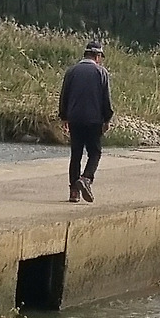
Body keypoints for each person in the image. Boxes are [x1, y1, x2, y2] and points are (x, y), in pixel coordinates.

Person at [58, 38, 113, 203]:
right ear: (97, 56)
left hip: (75, 118)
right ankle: (86, 178)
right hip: (94, 120)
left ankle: (74, 192)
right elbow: (106, 100)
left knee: (76, 154)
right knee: (95, 152)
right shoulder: (101, 73)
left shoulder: (71, 71)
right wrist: (107, 119)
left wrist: (64, 117)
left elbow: (64, 96)